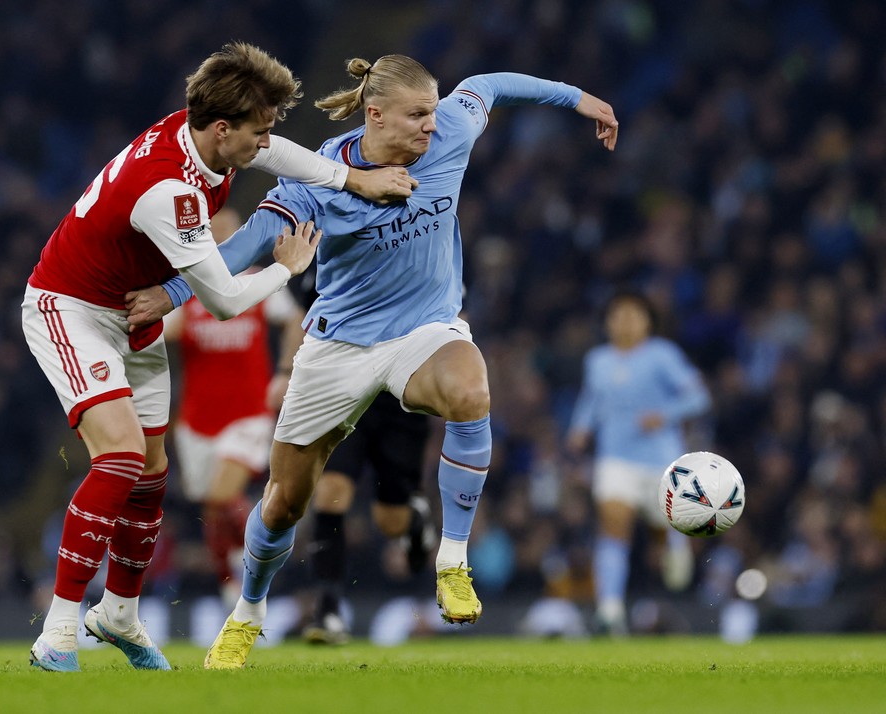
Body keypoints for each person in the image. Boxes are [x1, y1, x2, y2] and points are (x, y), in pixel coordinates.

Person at [128, 53, 618, 669]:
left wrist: (580, 99)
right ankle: (247, 612)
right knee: (284, 500)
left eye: (434, 114)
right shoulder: (319, 177)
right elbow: (245, 247)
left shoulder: (451, 132)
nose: (430, 128)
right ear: (375, 114)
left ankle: (453, 562)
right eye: (417, 116)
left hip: (425, 330)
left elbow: (491, 85)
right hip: (338, 345)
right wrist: (168, 296)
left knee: (470, 389)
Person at [20, 42, 415, 673]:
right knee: (120, 457)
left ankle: (119, 614)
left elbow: (278, 152)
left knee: (151, 478)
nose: (266, 143)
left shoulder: (202, 136)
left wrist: (352, 177)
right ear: (223, 128)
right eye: (258, 130)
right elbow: (226, 301)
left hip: (136, 314)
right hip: (73, 310)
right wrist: (287, 267)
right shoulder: (168, 190)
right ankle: (59, 631)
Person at [278, 265, 436, 645]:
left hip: (400, 397)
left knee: (391, 521)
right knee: (331, 490)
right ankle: (328, 608)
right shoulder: (332, 246)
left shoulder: (421, 242)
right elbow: (302, 313)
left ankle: (414, 520)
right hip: (345, 390)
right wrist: (284, 371)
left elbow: (450, 318)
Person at [163, 207, 303, 612]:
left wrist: (285, 370)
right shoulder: (187, 287)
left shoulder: (258, 281)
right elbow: (161, 330)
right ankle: (229, 584)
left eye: (229, 231)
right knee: (211, 506)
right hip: (197, 419)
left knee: (225, 494)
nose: (222, 239)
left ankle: (272, 551)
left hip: (249, 412)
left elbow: (295, 317)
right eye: (214, 232)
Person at [565, 289, 712, 635]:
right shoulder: (597, 360)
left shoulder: (663, 355)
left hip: (661, 460)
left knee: (662, 531)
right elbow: (591, 398)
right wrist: (580, 428)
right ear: (608, 322)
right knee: (614, 523)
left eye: (634, 314)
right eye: (619, 314)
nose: (626, 321)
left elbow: (698, 397)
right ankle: (610, 610)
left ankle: (675, 545)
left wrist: (665, 414)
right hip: (615, 459)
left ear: (648, 322)